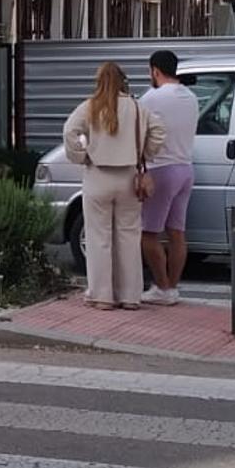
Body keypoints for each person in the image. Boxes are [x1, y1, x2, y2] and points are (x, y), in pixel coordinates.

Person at [63, 62, 165, 311]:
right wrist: (145, 152)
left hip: (98, 176)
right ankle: (130, 296)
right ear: (123, 81)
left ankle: (102, 296)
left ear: (99, 81)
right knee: (129, 236)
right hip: (129, 177)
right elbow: (159, 131)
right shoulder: (137, 107)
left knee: (99, 238)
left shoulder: (90, 106)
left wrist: (82, 155)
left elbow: (69, 131)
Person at [139, 51, 199, 306]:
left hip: (160, 169)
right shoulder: (192, 97)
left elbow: (136, 126)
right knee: (177, 233)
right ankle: (172, 287)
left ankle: (161, 287)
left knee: (148, 233)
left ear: (155, 70)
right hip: (185, 168)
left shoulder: (151, 97)